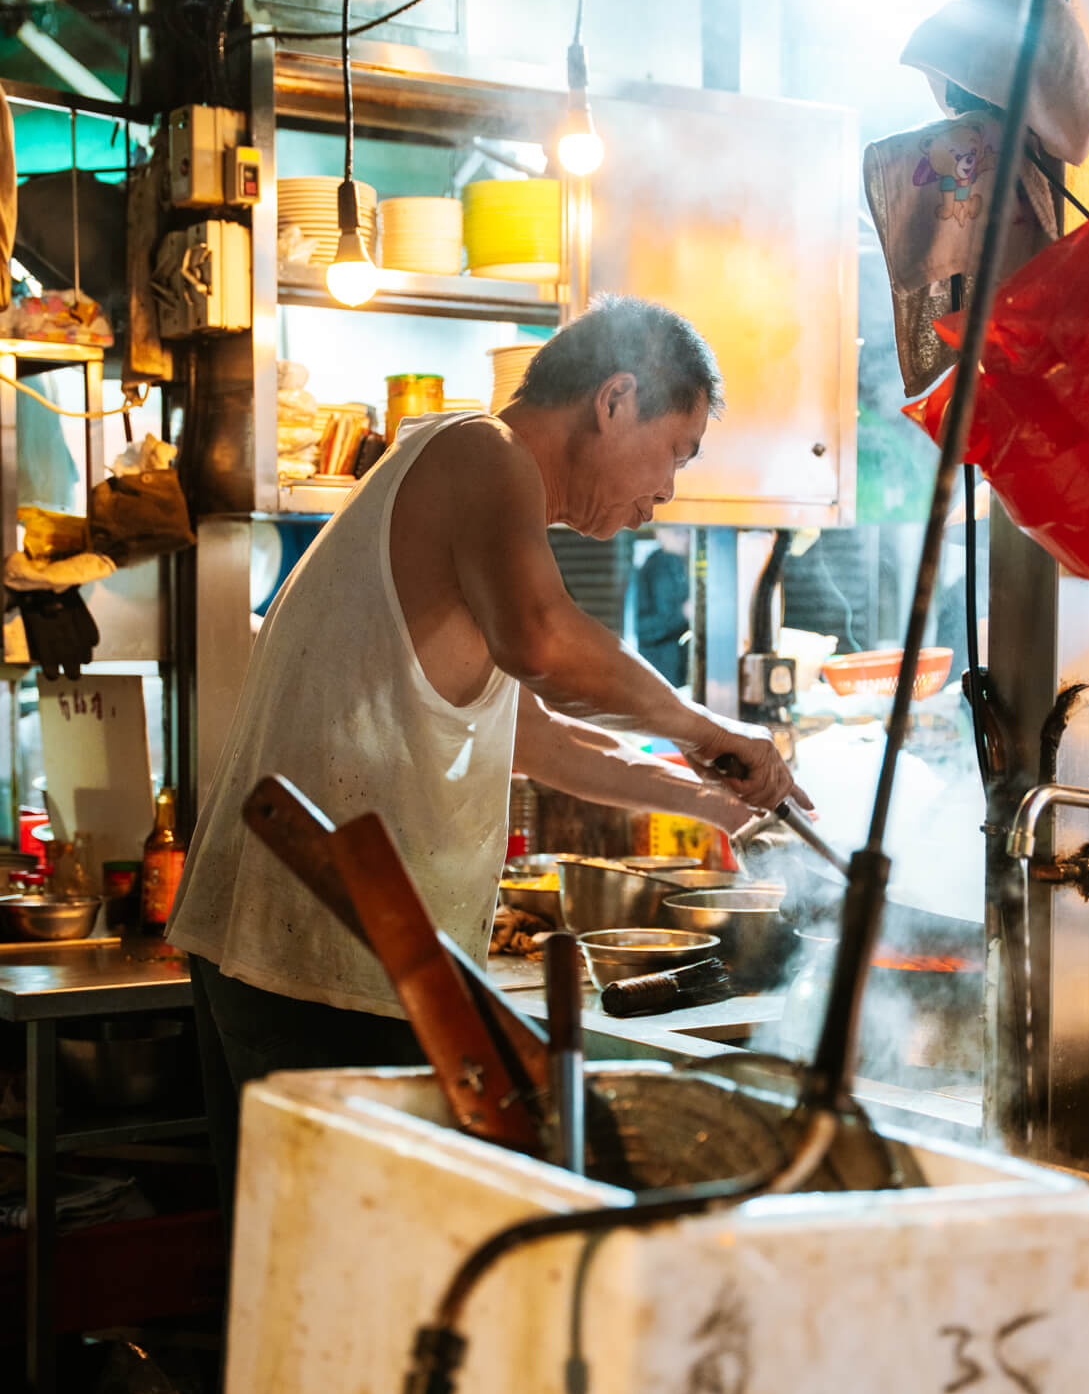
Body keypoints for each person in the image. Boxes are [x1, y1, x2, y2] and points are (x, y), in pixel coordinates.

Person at [169, 295, 809, 1212]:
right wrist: (709, 731)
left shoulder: (475, 503)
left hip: (312, 946)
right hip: (316, 951)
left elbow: (532, 740)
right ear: (615, 398)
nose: (668, 489)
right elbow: (546, 649)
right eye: (678, 450)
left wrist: (709, 797)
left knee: (333, 1277)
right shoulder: (482, 454)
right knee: (350, 1284)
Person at [634, 525, 692, 686]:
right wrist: (683, 613)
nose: (685, 537)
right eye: (678, 532)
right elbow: (643, 628)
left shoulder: (687, 563)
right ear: (659, 532)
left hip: (683, 673)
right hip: (661, 674)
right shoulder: (653, 567)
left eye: (686, 531)